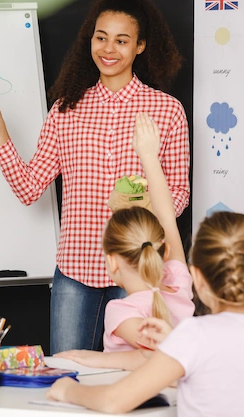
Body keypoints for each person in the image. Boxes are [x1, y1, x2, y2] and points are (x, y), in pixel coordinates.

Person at [0, 0, 190, 353]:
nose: (109, 48)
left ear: (141, 46)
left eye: (122, 40)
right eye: (101, 37)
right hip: (75, 268)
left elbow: (179, 194)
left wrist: (145, 202)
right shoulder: (66, 110)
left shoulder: (167, 111)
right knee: (67, 372)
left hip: (139, 269)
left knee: (138, 374)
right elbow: (28, 188)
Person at [47, 211, 244, 416]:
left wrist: (68, 389)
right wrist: (173, 343)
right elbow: (243, 371)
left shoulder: (193, 338)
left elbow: (112, 401)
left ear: (197, 278)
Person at [55, 114, 193, 370]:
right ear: (166, 251)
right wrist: (149, 157)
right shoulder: (178, 284)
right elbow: (167, 216)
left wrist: (98, 358)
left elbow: (161, 356)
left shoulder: (121, 311)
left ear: (111, 260)